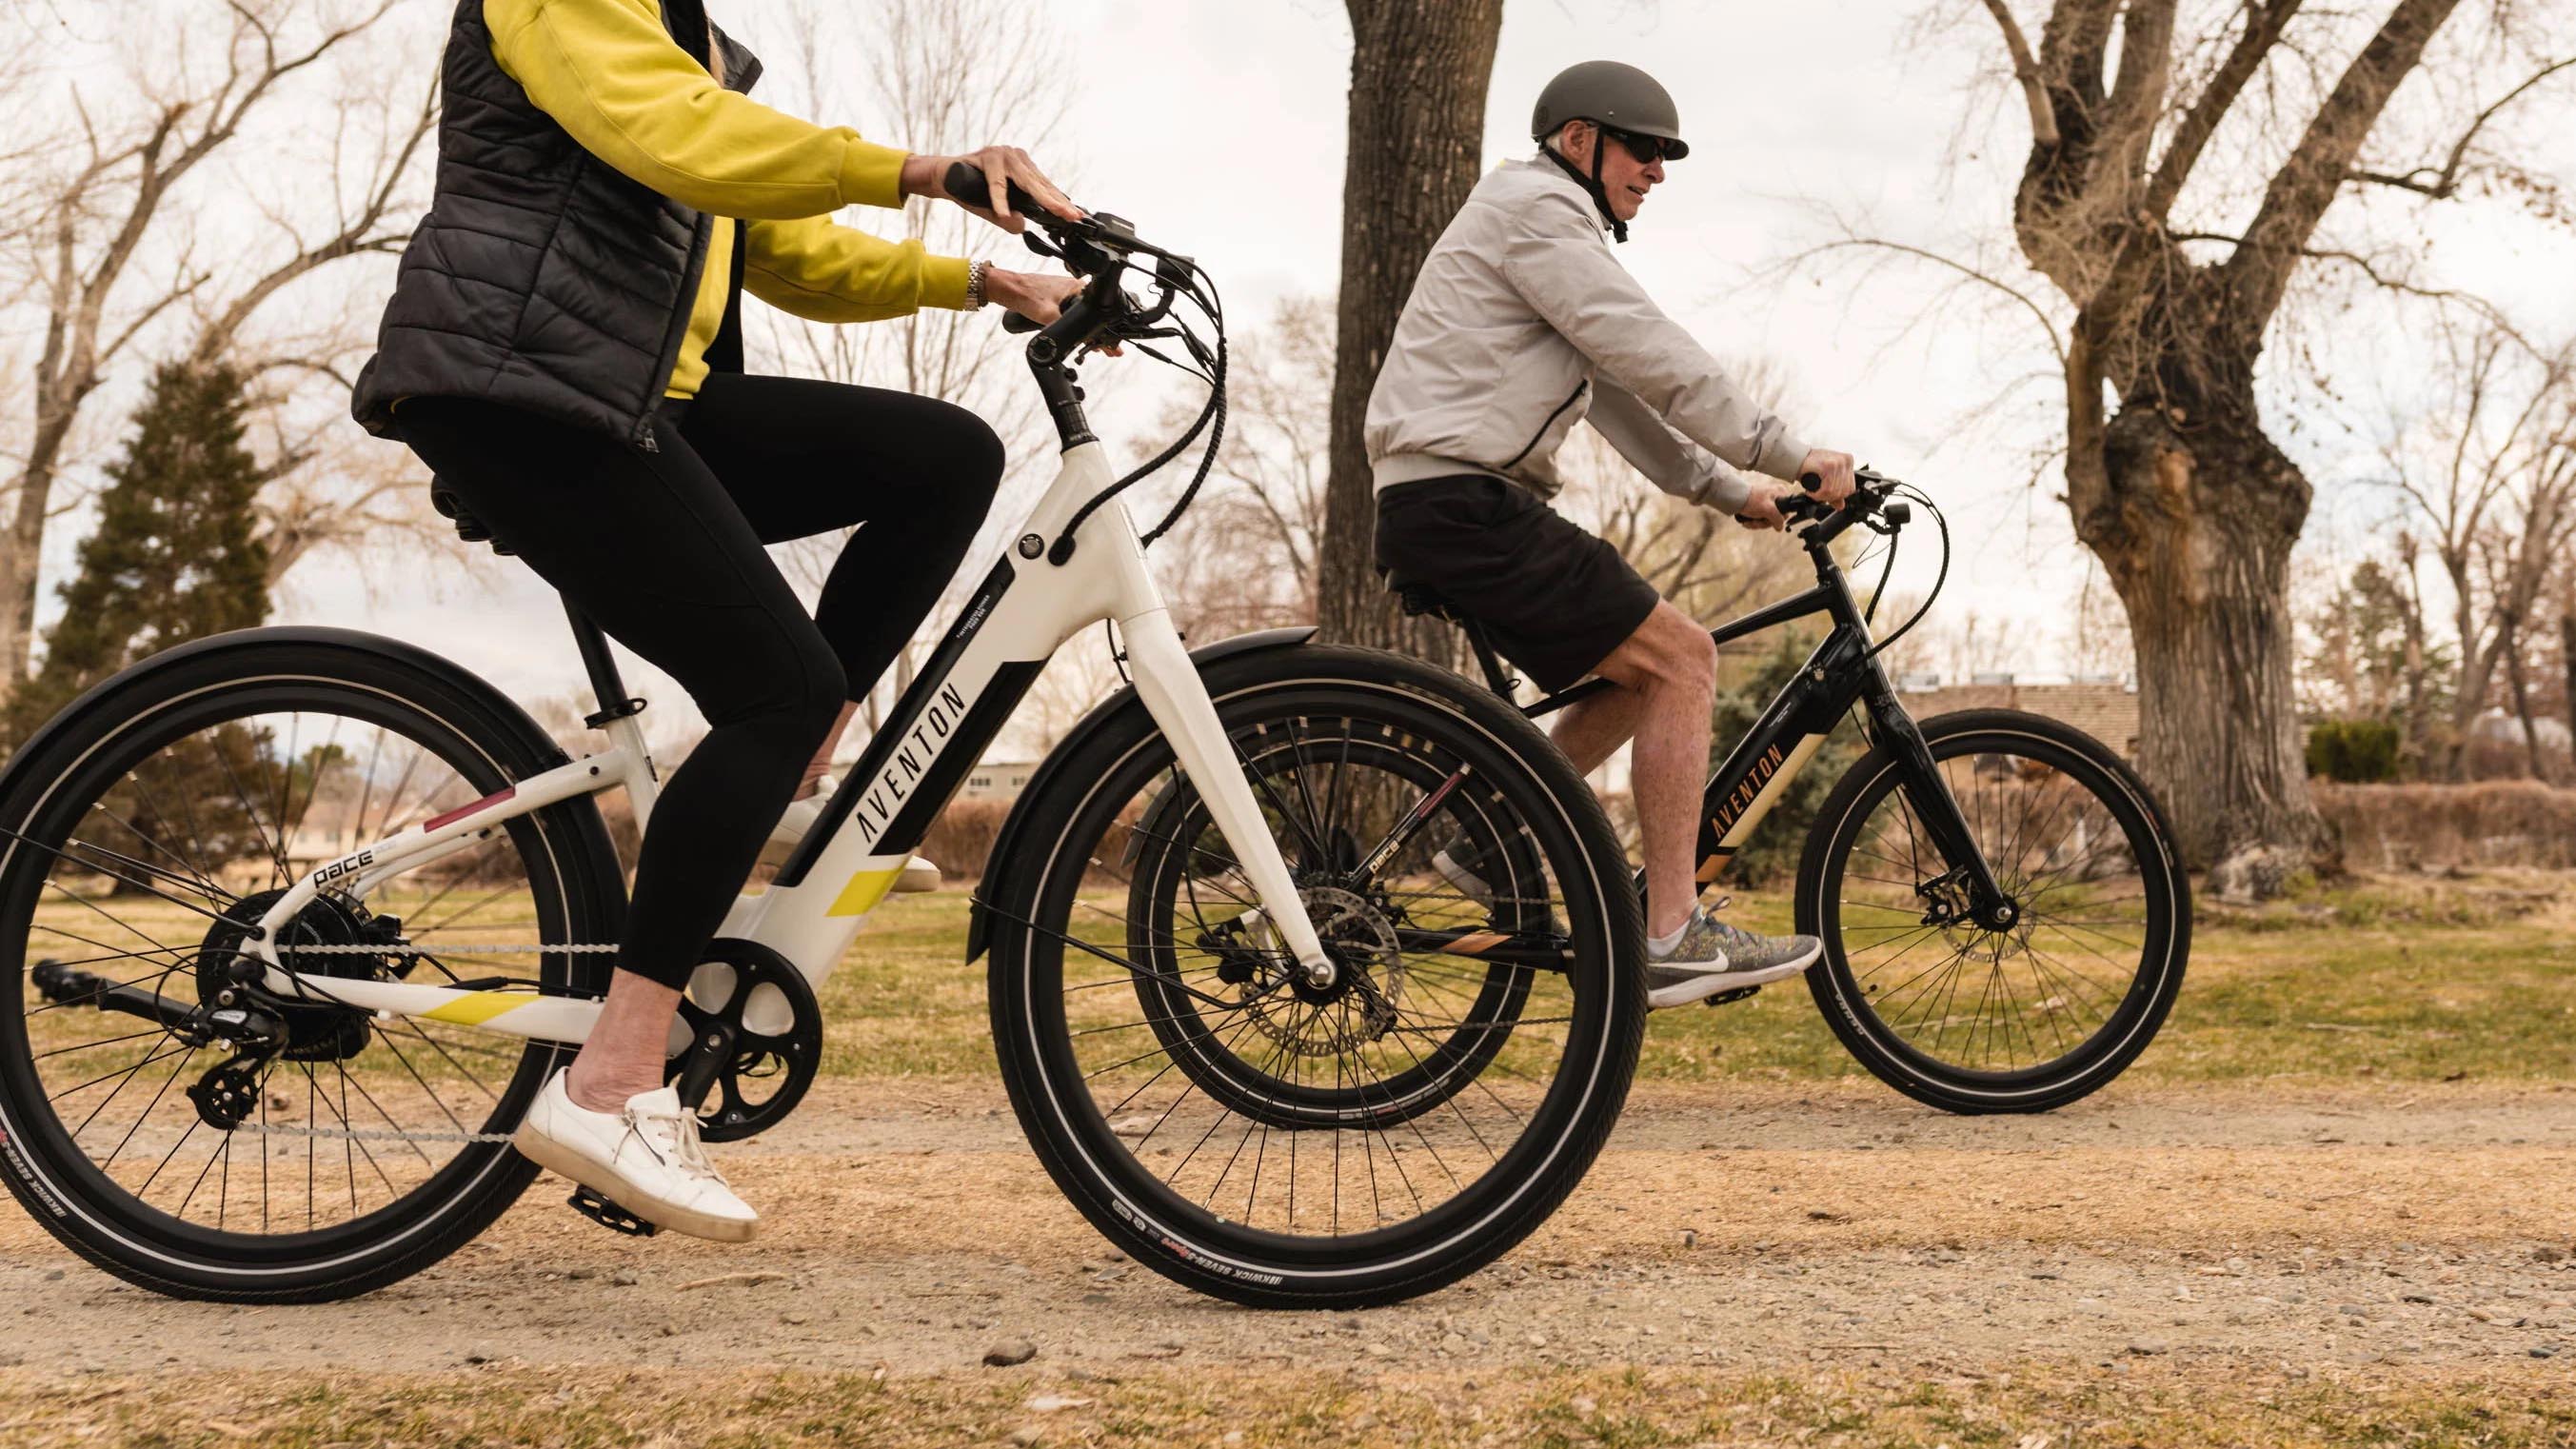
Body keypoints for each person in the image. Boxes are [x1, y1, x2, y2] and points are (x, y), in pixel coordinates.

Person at [349, 0, 1080, 1241]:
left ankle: (795, 757)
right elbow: (675, 136)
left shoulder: (692, 41)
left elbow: (778, 244)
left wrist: (979, 276)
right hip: (518, 383)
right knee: (770, 680)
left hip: (633, 400)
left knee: (942, 457)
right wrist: (921, 168)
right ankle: (612, 1083)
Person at [1366, 60, 1858, 1010]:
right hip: (1462, 500)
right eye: (1646, 149)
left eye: (1667, 156)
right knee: (1683, 659)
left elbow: (1623, 400)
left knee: (1641, 672)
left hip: (1454, 500)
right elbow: (1652, 351)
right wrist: (1789, 451)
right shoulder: (1537, 212)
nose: (1659, 172)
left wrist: (1736, 493)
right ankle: (1670, 932)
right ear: (1580, 140)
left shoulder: (1543, 228)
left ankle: (1484, 832)